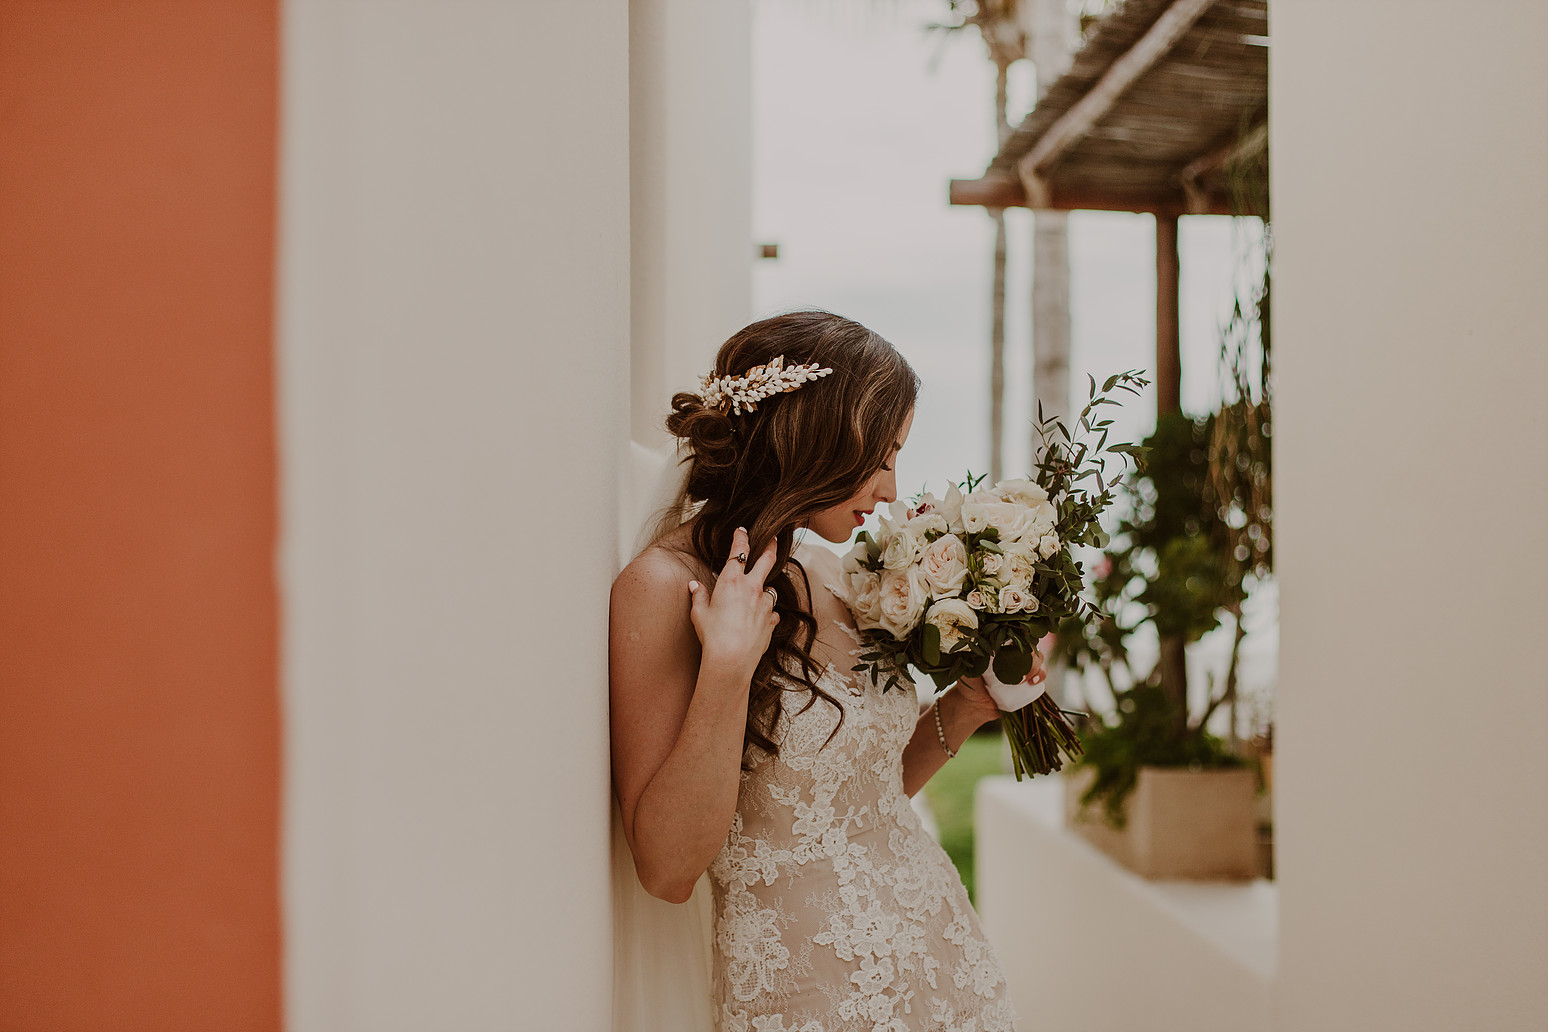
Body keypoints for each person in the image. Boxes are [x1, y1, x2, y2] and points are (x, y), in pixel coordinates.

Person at [609, 310, 1046, 1032]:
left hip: (947, 971)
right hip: (809, 1005)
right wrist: (725, 671)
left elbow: (858, 800)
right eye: (881, 456)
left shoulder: (825, 570)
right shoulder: (662, 588)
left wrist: (964, 709)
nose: (890, 488)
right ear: (813, 440)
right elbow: (666, 870)